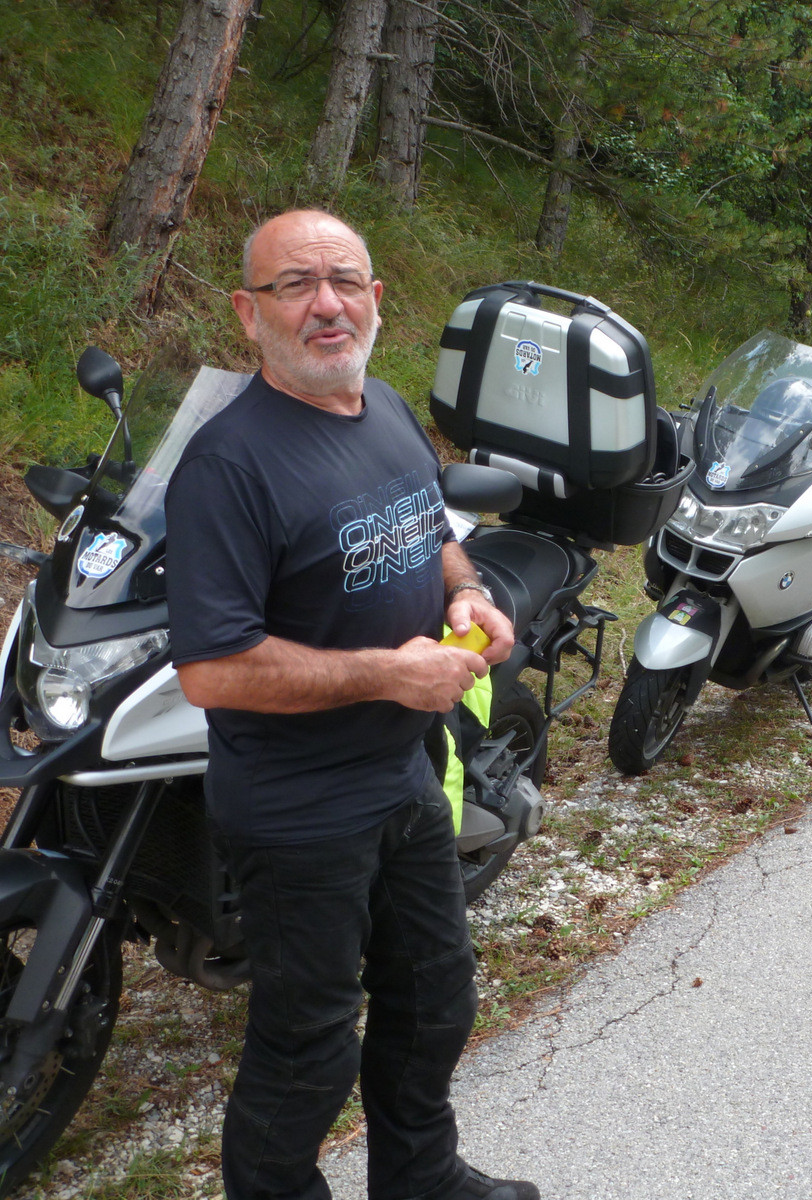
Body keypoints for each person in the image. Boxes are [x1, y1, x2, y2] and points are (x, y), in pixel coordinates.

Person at [164, 210, 538, 1200]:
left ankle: (421, 1178)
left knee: (432, 998)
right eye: (295, 285)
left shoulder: (381, 411)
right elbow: (211, 670)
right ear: (251, 314)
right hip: (298, 806)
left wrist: (465, 592)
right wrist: (386, 672)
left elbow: (435, 526)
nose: (326, 303)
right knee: (307, 1048)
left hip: (401, 774)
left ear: (376, 298)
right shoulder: (229, 465)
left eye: (345, 280)